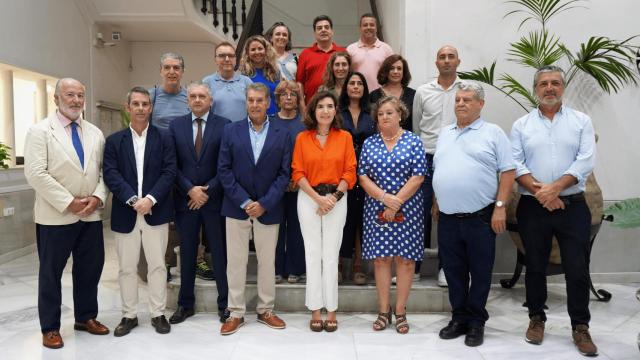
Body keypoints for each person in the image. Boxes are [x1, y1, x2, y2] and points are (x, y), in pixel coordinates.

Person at [511, 65, 598, 356]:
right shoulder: (521, 125)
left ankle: (580, 327)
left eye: (555, 83)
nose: (549, 88)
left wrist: (555, 188)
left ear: (563, 88)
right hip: (532, 207)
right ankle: (536, 319)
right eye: (544, 83)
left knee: (577, 268)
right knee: (534, 266)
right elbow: (516, 164)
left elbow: (585, 161)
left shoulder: (581, 121)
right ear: (536, 89)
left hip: (572, 206)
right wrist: (542, 193)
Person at [24, 78, 110, 349]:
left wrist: (97, 196)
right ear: (57, 99)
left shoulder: (95, 132)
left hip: (90, 215)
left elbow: (103, 171)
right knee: (51, 273)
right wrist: (68, 201)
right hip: (56, 216)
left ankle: (86, 317)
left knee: (90, 269)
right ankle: (50, 327)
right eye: (70, 95)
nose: (76, 100)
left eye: (80, 95)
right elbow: (36, 173)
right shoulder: (40, 131)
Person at [434, 82, 515, 347]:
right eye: (458, 100)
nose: (461, 104)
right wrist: (436, 200)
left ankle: (477, 321)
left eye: (467, 100)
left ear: (480, 104)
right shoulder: (445, 133)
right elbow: (441, 169)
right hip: (447, 218)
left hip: (480, 217)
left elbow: (507, 171)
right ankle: (459, 318)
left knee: (480, 273)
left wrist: (500, 207)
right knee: (454, 273)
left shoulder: (493, 133)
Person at [218, 83, 291, 335]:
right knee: (235, 262)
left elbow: (284, 174)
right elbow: (224, 170)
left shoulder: (282, 133)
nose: (255, 104)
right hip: (237, 207)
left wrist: (264, 203)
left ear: (269, 102)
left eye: (260, 100)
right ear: (246, 102)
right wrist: (245, 201)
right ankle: (236, 312)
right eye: (251, 100)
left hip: (268, 208)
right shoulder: (230, 131)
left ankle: (265, 309)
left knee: (267, 262)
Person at [103, 87, 177, 336]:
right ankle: (129, 314)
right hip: (127, 212)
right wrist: (134, 199)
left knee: (157, 265)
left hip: (156, 211)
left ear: (151, 108)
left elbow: (169, 172)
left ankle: (158, 313)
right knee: (126, 267)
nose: (141, 108)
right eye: (136, 104)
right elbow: (111, 174)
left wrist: (151, 199)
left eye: (145, 104)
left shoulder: (165, 138)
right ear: (128, 107)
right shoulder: (114, 141)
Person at [358, 96, 426, 334]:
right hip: (377, 208)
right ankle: (383, 310)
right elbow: (363, 176)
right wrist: (384, 198)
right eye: (380, 114)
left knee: (406, 260)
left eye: (390, 112)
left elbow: (418, 176)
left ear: (400, 115)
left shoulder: (414, 141)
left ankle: (401, 311)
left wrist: (395, 202)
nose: (385, 117)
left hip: (408, 208)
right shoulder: (369, 143)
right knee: (381, 259)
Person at [291, 91, 357, 332]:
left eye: (330, 106)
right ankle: (315, 309)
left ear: (335, 111)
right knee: (312, 253)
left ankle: (331, 310)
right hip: (309, 198)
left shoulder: (345, 137)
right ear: (313, 111)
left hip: (337, 199)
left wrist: (334, 198)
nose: (326, 111)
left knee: (331, 255)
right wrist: (318, 198)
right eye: (321, 107)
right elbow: (297, 172)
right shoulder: (302, 138)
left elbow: (350, 171)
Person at [169, 82, 231, 325]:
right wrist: (190, 190)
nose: (197, 100)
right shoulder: (176, 126)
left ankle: (225, 304)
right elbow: (171, 164)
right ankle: (185, 304)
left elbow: (226, 163)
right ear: (187, 100)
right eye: (193, 96)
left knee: (219, 253)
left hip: (214, 200)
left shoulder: (225, 125)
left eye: (202, 96)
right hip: (186, 201)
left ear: (210, 100)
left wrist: (207, 190)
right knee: (187, 252)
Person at [412, 45, 463, 286]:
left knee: (448, 214)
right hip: (426, 156)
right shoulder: (423, 91)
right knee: (419, 213)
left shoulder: (466, 91)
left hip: (454, 158)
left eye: (450, 57)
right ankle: (414, 268)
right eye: (442, 57)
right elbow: (416, 126)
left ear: (458, 61)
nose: (446, 61)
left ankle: (446, 268)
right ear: (436, 62)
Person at [337, 72, 374, 285]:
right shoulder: (338, 113)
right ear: (346, 88)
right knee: (343, 219)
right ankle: (341, 264)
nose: (356, 86)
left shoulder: (371, 113)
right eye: (352, 83)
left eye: (360, 83)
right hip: (342, 171)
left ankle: (359, 265)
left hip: (367, 173)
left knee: (361, 219)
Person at [273, 80, 307, 284]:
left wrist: (296, 179)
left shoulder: (304, 124)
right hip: (275, 185)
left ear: (298, 99)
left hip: (299, 185)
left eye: (292, 94)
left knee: (297, 228)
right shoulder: (269, 121)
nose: (288, 97)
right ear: (277, 99)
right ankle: (276, 267)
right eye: (284, 94)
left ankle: (296, 268)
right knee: (276, 228)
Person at [296, 15, 346, 102]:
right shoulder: (305, 54)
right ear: (315, 33)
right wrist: (303, 108)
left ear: (332, 31)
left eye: (326, 27)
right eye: (319, 28)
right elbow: (300, 83)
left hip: (339, 105)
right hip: (312, 106)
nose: (323, 30)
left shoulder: (343, 52)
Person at [203, 41, 253, 122]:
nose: (227, 59)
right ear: (215, 59)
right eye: (222, 56)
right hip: (217, 132)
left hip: (241, 131)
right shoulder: (207, 82)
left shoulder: (246, 81)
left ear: (235, 59)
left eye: (231, 56)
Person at [346, 13, 394, 91]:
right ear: (360, 28)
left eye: (372, 25)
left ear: (376, 28)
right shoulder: (350, 49)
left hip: (380, 96)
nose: (368, 27)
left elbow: (392, 74)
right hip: (357, 95)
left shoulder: (387, 49)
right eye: (365, 25)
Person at [369, 54, 416, 131]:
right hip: (380, 140)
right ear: (385, 71)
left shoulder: (413, 95)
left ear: (404, 72)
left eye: (399, 68)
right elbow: (371, 122)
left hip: (408, 141)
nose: (395, 72)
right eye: (392, 68)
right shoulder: (373, 95)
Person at [239, 35, 281, 116]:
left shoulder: (275, 72)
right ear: (248, 52)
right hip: (254, 119)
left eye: (260, 48)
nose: (257, 52)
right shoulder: (244, 75)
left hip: (275, 117)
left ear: (266, 50)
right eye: (253, 49)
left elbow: (279, 97)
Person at [149, 52, 190, 130]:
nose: (171, 72)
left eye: (176, 68)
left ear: (183, 71)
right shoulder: (151, 96)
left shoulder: (191, 96)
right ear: (161, 71)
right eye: (167, 67)